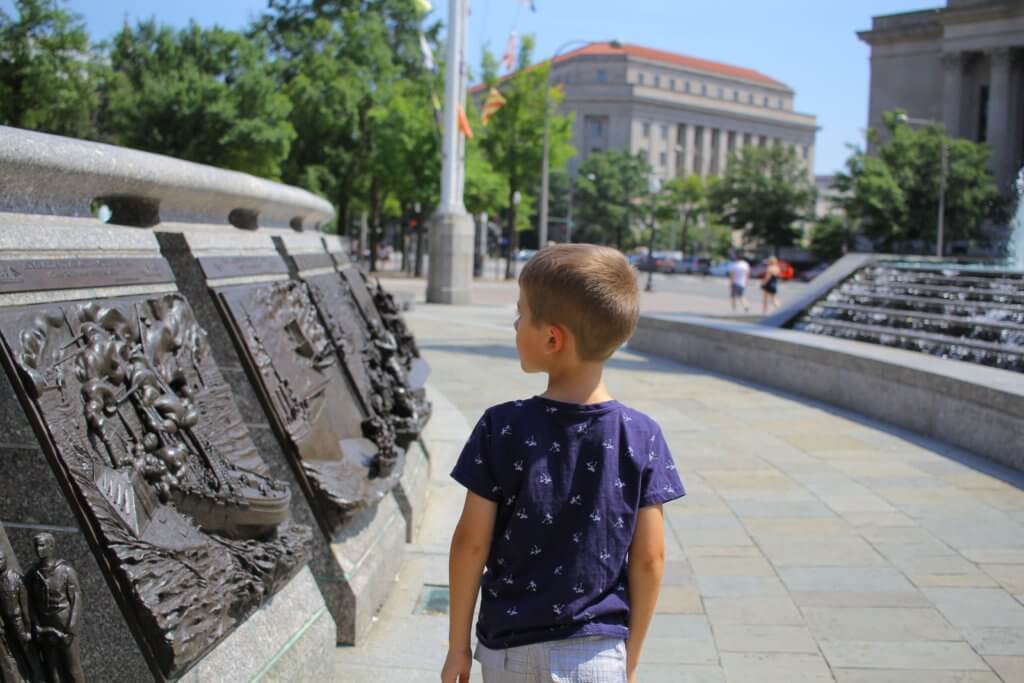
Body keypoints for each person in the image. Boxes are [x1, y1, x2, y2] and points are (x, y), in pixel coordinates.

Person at [442, 244, 685, 683]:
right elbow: (650, 559)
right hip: (597, 650)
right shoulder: (642, 435)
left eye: (521, 313)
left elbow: (469, 545)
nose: (515, 323)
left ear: (552, 338)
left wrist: (457, 645)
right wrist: (630, 658)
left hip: (507, 650)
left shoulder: (501, 426)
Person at [25, 533, 84, 683]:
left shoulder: (66, 571)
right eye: (37, 545)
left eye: (43, 545)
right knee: (53, 669)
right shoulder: (32, 574)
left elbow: (76, 600)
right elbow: (29, 601)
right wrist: (36, 625)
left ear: (52, 547)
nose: (39, 549)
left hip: (64, 625)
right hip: (45, 626)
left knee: (72, 668)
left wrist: (70, 631)